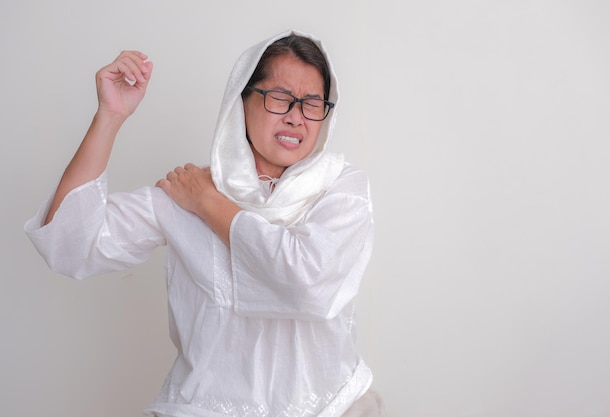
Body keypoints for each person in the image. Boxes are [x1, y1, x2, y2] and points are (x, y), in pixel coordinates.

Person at [25, 30, 385, 417]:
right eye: (280, 98)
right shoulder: (187, 191)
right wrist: (109, 117)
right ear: (241, 100)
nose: (296, 117)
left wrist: (209, 204)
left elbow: (308, 284)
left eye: (312, 104)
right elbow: (68, 244)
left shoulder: (341, 189)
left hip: (334, 407)